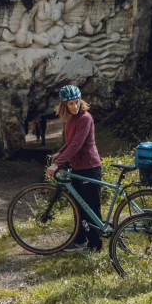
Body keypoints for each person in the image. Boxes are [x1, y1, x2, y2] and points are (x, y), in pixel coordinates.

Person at [46, 85, 103, 251]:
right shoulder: (69, 120)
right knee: (78, 206)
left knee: (91, 207)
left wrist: (58, 164)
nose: (75, 106)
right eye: (71, 104)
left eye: (77, 102)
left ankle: (96, 245)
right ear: (64, 105)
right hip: (78, 167)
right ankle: (79, 240)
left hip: (90, 167)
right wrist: (59, 153)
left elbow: (77, 145)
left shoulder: (85, 118)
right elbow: (69, 143)